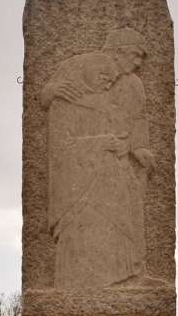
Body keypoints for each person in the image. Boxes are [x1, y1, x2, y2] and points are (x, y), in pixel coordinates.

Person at [41, 28, 153, 291]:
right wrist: (53, 91)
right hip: (83, 169)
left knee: (127, 212)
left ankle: (128, 275)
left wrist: (139, 148)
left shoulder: (133, 84)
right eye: (135, 55)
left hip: (116, 161)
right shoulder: (77, 68)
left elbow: (137, 119)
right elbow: (46, 99)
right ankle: (83, 283)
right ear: (118, 51)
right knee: (90, 219)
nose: (137, 63)